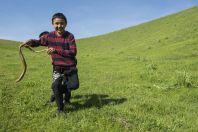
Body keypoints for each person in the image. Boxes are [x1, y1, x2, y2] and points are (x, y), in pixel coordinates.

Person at [24, 13, 79, 113]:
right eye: (56, 23)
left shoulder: (70, 36)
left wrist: (56, 50)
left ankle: (57, 92)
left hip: (70, 67)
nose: (59, 26)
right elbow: (38, 42)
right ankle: (60, 110)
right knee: (56, 85)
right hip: (57, 67)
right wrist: (30, 42)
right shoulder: (49, 36)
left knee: (74, 85)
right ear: (53, 24)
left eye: (62, 23)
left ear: (66, 24)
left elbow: (73, 52)